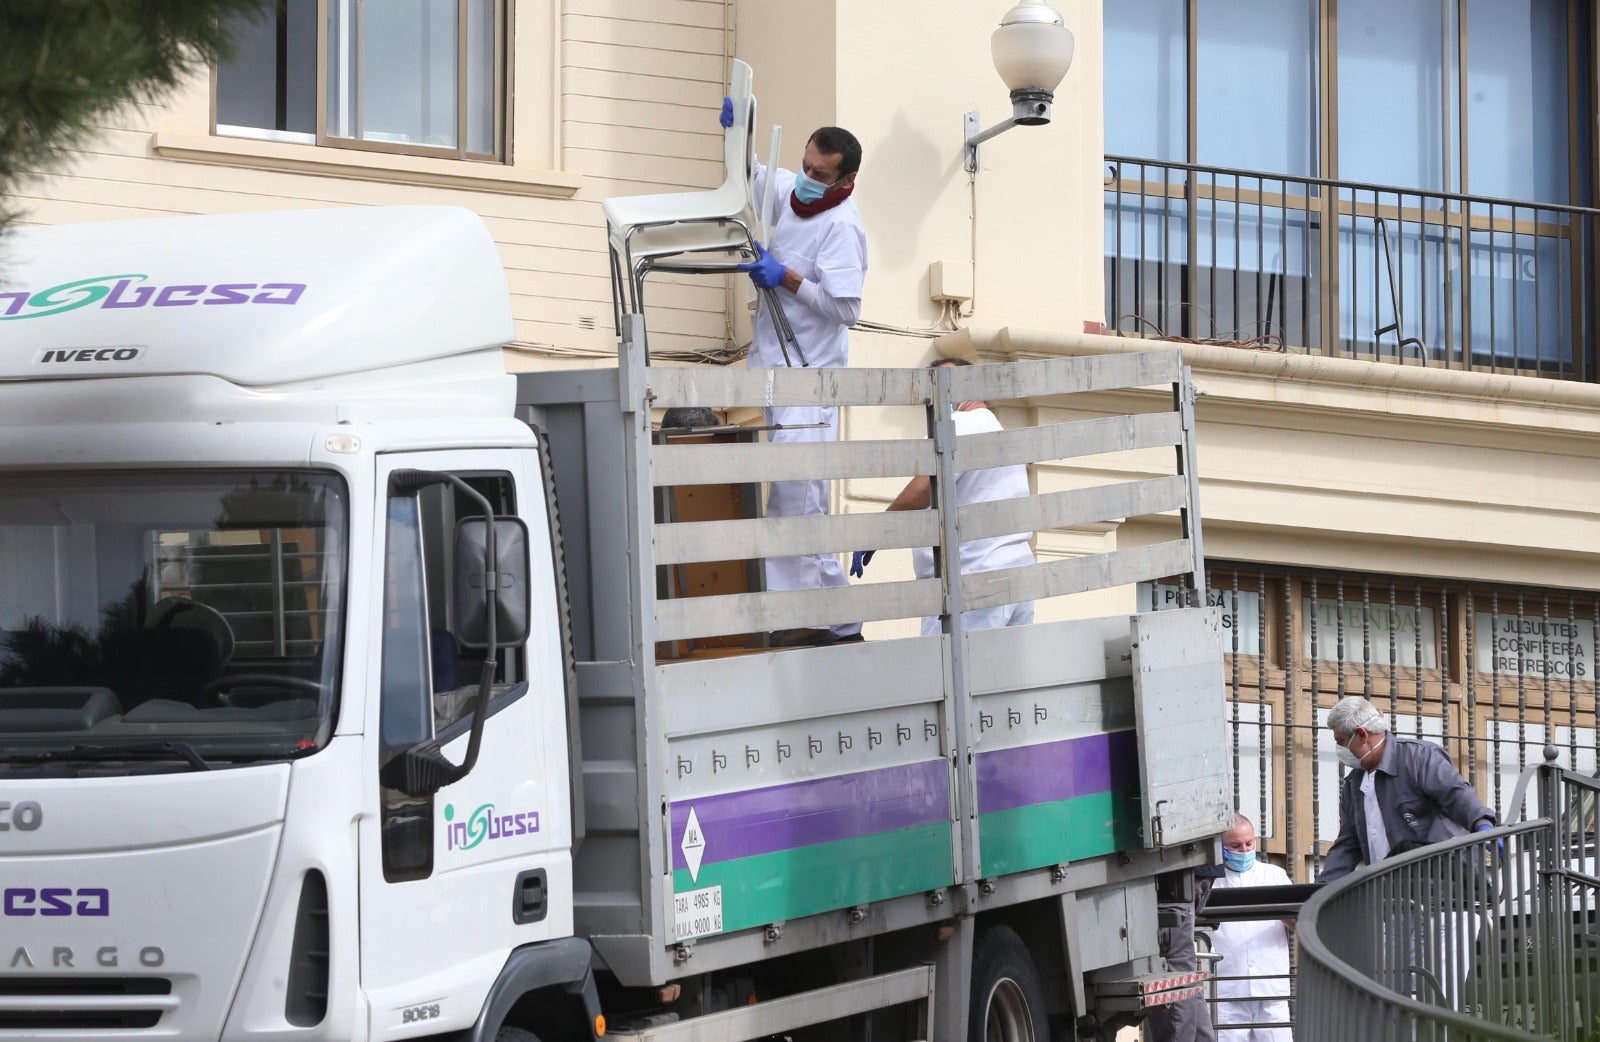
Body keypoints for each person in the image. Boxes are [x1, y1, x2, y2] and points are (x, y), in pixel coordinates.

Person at [721, 98, 867, 648]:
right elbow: (751, 176)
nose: (807, 179)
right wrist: (739, 133)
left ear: (845, 179)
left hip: (810, 375)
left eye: (820, 174)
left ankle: (807, 617)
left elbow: (845, 307)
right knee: (786, 495)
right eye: (806, 166)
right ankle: (822, 616)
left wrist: (785, 277)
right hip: (773, 367)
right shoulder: (790, 189)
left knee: (797, 497)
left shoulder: (844, 226)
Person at [850, 358, 1035, 636]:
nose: (937, 395)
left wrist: (878, 532)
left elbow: (922, 491)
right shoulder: (999, 433)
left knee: (948, 674)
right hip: (1015, 578)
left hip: (972, 584)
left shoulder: (960, 425)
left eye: (945, 382)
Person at [1317, 695, 1496, 882]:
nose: (1340, 749)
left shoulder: (1418, 757)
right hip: (1391, 891)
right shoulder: (1353, 785)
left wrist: (1482, 823)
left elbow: (1456, 794)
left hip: (1443, 885)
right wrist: (1320, 889)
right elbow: (1348, 844)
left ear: (1362, 735)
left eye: (1342, 742)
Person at [1210, 815, 1294, 1041]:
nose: (1244, 850)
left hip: (1270, 990)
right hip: (1228, 991)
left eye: (1249, 844)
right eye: (1235, 846)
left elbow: (1301, 921)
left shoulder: (1274, 876)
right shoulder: (1209, 883)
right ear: (1221, 847)